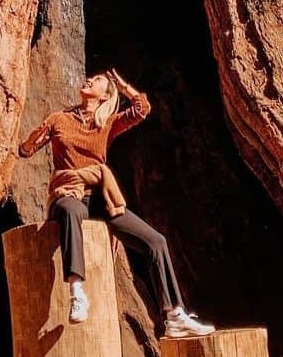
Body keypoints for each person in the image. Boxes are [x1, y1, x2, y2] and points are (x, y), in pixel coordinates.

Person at [17, 67, 215, 337]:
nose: (90, 80)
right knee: (71, 210)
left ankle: (174, 315)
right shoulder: (59, 119)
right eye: (92, 78)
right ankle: (77, 292)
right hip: (68, 191)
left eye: (97, 80)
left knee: (155, 241)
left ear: (104, 95)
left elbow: (141, 109)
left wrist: (124, 87)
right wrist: (30, 138)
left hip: (100, 197)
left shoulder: (107, 123)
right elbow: (26, 150)